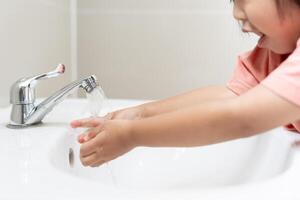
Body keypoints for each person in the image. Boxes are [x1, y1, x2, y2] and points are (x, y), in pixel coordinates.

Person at [70, 0, 300, 167]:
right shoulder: (278, 53)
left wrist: (131, 135)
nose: (236, 14)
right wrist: (140, 114)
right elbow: (234, 95)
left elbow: (241, 118)